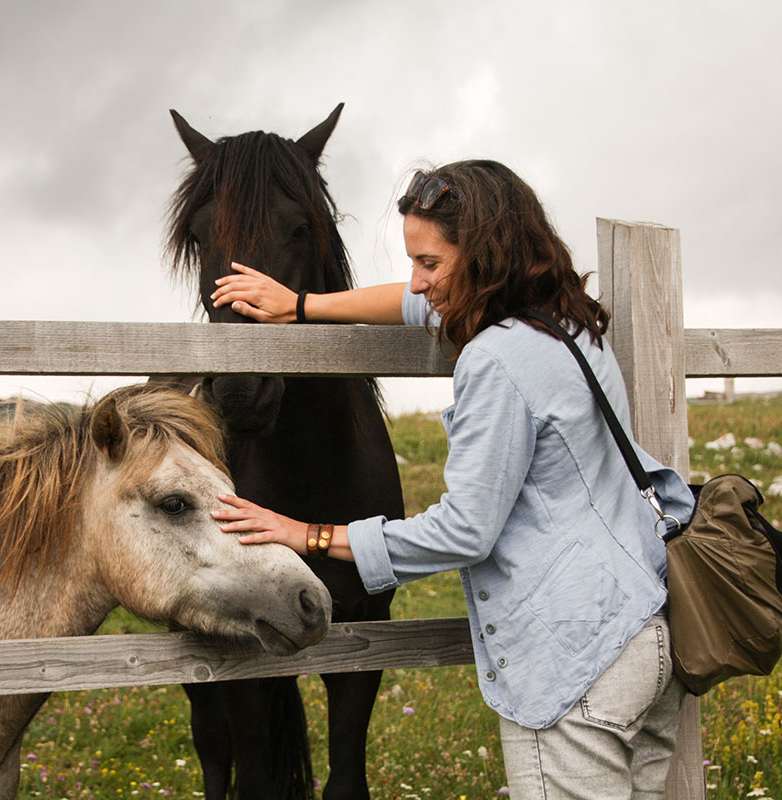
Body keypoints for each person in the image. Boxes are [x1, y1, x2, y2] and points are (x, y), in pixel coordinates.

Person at [208, 159, 695, 800]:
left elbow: (466, 531)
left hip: (573, 663)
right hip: (646, 635)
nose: (418, 283)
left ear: (485, 256)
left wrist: (312, 536)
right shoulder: (569, 323)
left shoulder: (495, 360)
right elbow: (412, 302)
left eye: (430, 264)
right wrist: (302, 304)